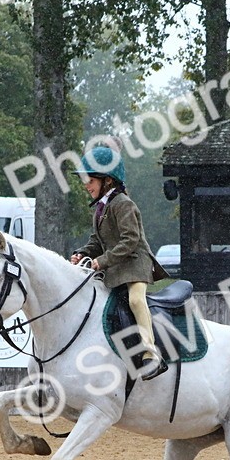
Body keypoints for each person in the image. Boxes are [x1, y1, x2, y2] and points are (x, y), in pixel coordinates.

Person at [70, 145, 168, 381]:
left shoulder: (123, 203)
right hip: (116, 268)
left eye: (90, 180)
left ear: (108, 180)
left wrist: (100, 261)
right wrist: (81, 253)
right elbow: (97, 241)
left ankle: (150, 353)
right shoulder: (101, 208)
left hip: (135, 265)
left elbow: (130, 240)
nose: (86, 185)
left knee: (135, 299)